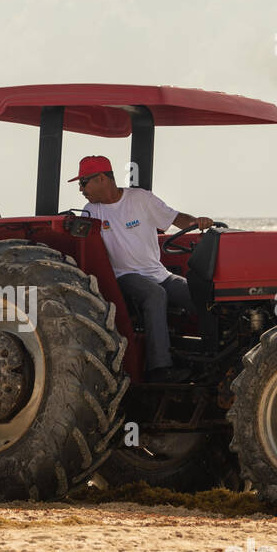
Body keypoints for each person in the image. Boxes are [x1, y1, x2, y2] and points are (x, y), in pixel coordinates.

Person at [69, 155, 213, 383]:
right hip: (123, 276)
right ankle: (160, 368)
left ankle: (212, 356)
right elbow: (84, 246)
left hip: (158, 273)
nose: (81, 189)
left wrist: (199, 222)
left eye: (83, 182)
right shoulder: (91, 211)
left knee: (200, 294)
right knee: (155, 294)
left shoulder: (140, 199)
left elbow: (175, 218)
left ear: (101, 179)